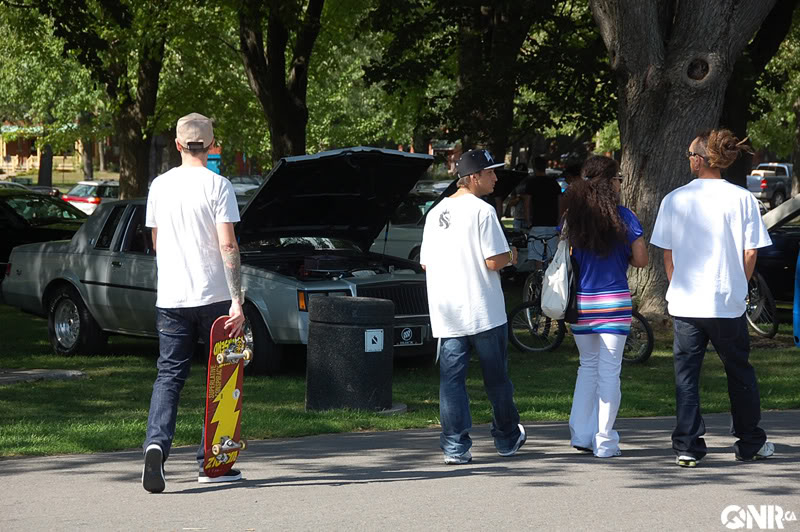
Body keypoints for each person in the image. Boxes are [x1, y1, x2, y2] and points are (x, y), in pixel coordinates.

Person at [651, 129, 775, 467]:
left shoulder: (675, 199)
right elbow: (751, 252)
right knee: (739, 371)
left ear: (700, 160)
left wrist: (678, 285)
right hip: (726, 301)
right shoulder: (741, 199)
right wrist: (738, 282)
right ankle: (749, 441)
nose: (688, 158)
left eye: (691, 153)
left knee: (687, 376)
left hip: (687, 303)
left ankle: (688, 444)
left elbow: (668, 254)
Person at [141, 113, 245, 493]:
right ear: (212, 143)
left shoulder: (159, 186)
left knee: (169, 375)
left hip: (171, 296)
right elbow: (228, 245)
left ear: (179, 145)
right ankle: (212, 463)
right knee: (220, 378)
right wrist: (238, 299)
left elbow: (156, 242)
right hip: (213, 294)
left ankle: (156, 446)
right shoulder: (219, 186)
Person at [420, 148, 526, 465]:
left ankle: (455, 446)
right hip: (483, 310)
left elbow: (425, 264)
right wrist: (513, 256)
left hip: (448, 312)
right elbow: (493, 260)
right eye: (491, 172)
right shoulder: (482, 211)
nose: (496, 177)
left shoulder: (435, 213)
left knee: (452, 382)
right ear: (474, 177)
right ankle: (506, 438)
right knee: (497, 380)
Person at [562, 155, 648, 458]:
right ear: (610, 183)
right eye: (619, 179)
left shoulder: (573, 218)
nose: (621, 184)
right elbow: (641, 259)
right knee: (610, 371)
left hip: (582, 304)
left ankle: (582, 434)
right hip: (614, 302)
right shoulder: (624, 217)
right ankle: (605, 440)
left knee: (587, 367)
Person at [524, 156, 562, 265]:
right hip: (552, 222)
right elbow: (560, 202)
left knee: (538, 256)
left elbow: (527, 203)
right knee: (552, 254)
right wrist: (559, 219)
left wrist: (527, 220)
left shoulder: (531, 183)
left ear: (534, 167)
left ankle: (539, 277)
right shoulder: (553, 183)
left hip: (536, 222)